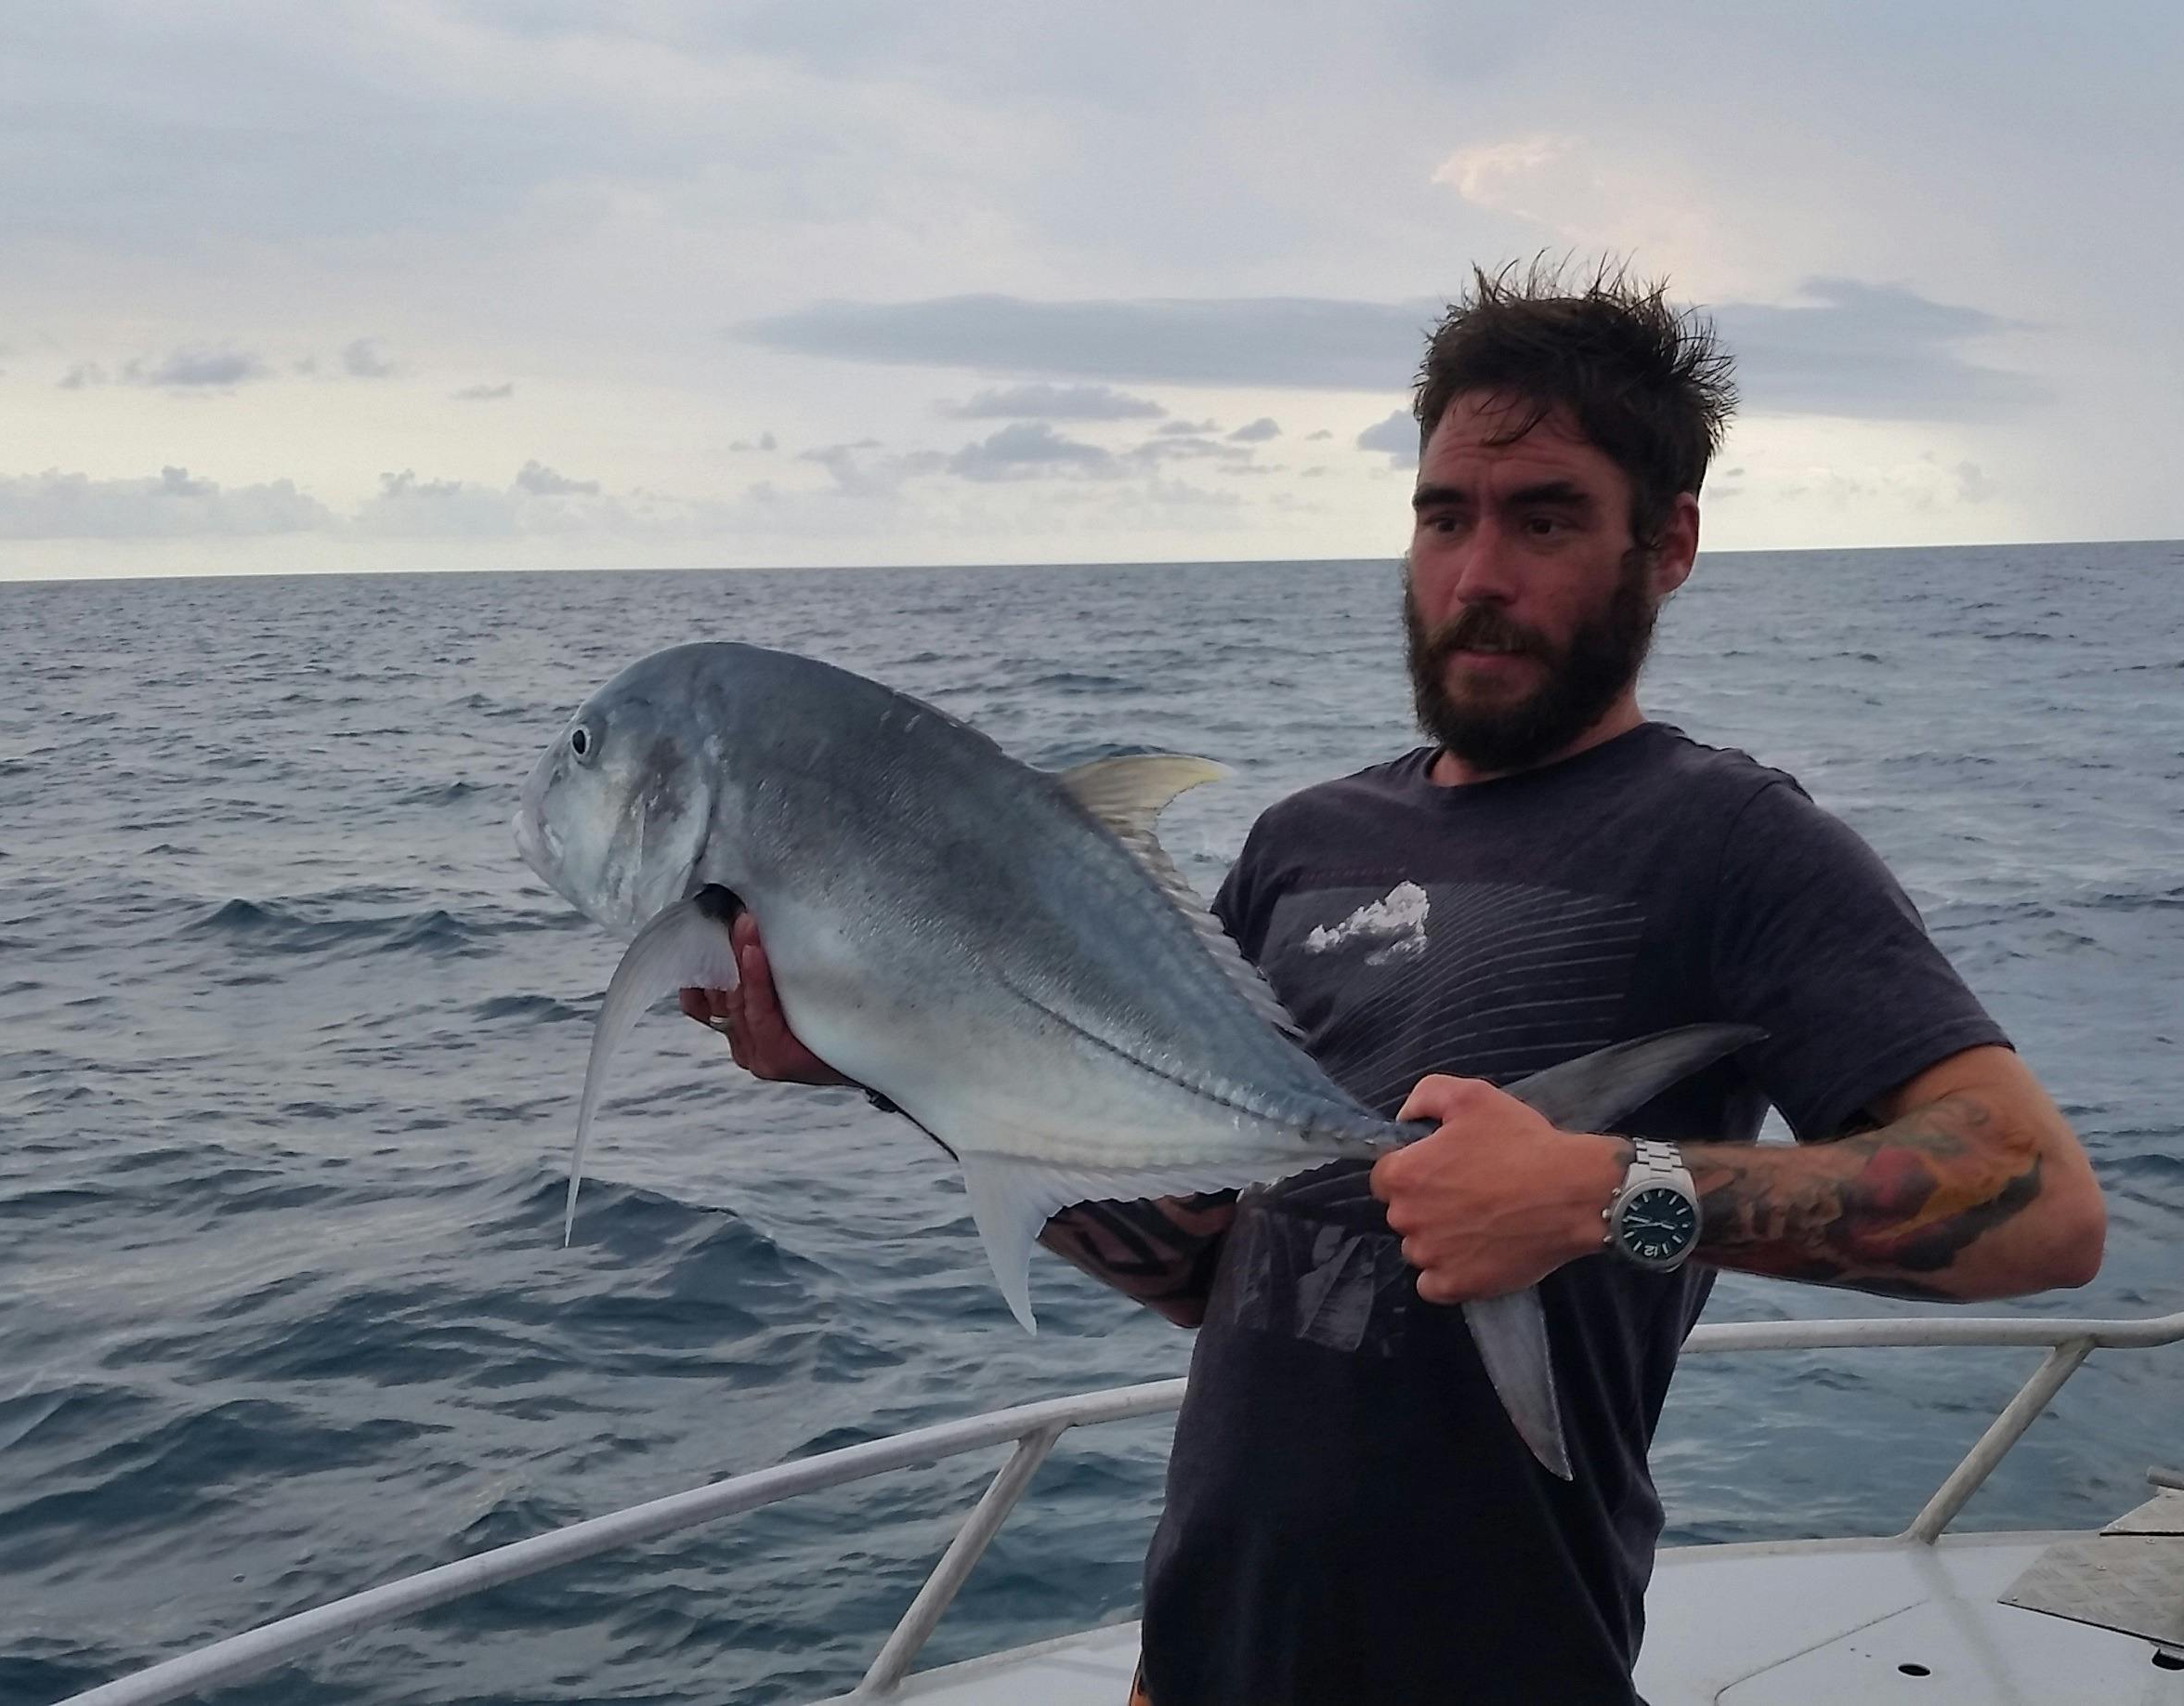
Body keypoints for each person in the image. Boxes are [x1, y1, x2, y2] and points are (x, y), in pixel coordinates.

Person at [680, 262, 2105, 1706]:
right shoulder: (1303, 845)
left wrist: (1595, 1194)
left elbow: (2041, 1203)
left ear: (1667, 544)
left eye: (1544, 519)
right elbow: (1199, 1264)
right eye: (1443, 516)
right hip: (1200, 1660)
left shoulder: (1732, 841)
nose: (1477, 577)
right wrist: (890, 1059)